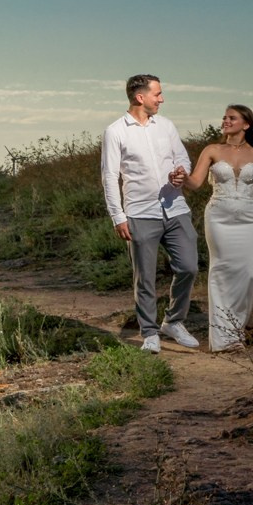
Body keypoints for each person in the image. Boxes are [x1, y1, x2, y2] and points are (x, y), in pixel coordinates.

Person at [101, 74, 199, 352]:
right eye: (157, 93)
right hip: (140, 213)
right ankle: (150, 332)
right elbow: (109, 177)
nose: (162, 98)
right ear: (139, 97)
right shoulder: (115, 131)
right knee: (144, 276)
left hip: (176, 209)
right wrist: (117, 216)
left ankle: (174, 322)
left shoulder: (166, 126)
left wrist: (181, 172)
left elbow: (182, 158)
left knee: (189, 267)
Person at [188, 104, 253, 351]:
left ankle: (251, 323)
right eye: (224, 117)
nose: (226, 121)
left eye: (232, 118)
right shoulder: (212, 150)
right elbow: (195, 182)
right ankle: (226, 337)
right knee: (223, 271)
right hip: (219, 218)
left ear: (246, 124)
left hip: (252, 217)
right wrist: (183, 178)